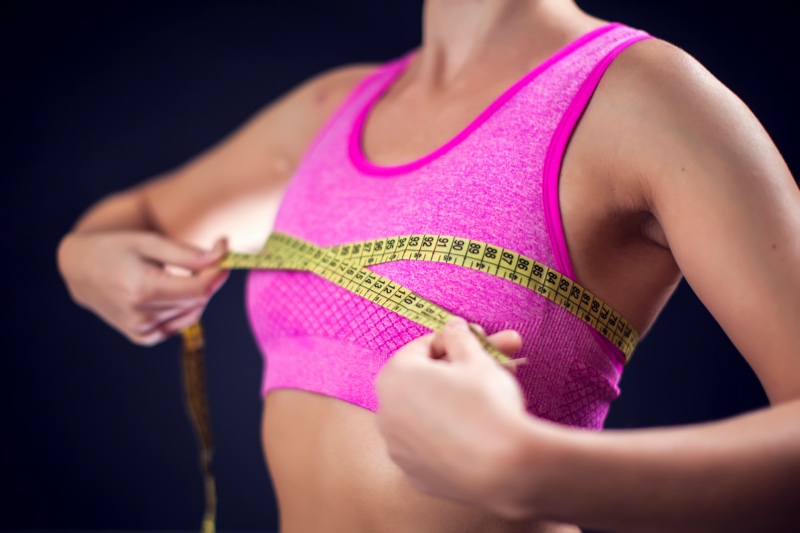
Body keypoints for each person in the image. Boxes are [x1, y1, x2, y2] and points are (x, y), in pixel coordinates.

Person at [56, 1, 799, 532]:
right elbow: (132, 220)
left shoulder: (648, 101)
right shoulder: (332, 106)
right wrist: (83, 258)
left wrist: (532, 470)